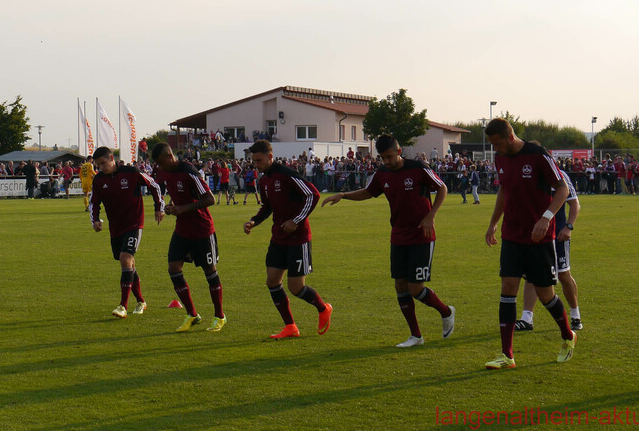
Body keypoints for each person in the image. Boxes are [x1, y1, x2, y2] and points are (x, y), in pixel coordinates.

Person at [323, 134, 455, 347]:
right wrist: (344, 195)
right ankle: (416, 336)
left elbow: (442, 187)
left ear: (399, 152)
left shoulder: (418, 167)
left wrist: (431, 215)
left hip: (422, 235)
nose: (386, 162)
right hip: (398, 236)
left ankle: (446, 312)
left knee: (415, 288)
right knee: (400, 286)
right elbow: (369, 192)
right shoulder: (382, 173)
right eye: (382, 158)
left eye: (389, 157)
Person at [483, 119, 576, 369]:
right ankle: (507, 355)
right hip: (512, 233)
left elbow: (562, 188)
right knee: (508, 287)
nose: (495, 149)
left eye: (497, 143)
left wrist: (546, 218)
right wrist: (493, 223)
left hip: (539, 236)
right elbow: (504, 190)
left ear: (510, 136)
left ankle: (567, 335)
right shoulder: (501, 158)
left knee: (546, 294)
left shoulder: (537, 155)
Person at [242, 140, 332, 339]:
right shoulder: (264, 181)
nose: (256, 164)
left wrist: (296, 221)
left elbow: (313, 195)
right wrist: (253, 221)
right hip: (278, 238)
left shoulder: (287, 174)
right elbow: (267, 207)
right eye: (254, 161)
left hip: (298, 238)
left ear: (270, 156)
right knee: (272, 281)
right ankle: (290, 326)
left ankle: (323, 308)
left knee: (296, 287)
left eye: (259, 160)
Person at [151, 143, 226, 332]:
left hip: (202, 230)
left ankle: (219, 316)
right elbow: (179, 197)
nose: (160, 168)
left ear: (169, 156)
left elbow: (210, 199)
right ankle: (192, 314)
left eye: (161, 163)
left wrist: (181, 209)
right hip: (182, 230)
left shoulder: (189, 172)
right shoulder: (167, 172)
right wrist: (171, 206)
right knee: (174, 268)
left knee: (210, 272)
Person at [88, 146, 164, 319]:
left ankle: (123, 305)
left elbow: (154, 185)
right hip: (116, 227)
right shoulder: (99, 180)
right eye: (98, 165)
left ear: (111, 158)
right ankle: (141, 301)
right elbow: (94, 202)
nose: (101, 168)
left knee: (125, 258)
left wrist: (159, 208)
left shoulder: (131, 172)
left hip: (134, 223)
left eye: (103, 163)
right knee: (127, 263)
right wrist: (95, 220)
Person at [516, 168, 584, 332]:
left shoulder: (560, 175)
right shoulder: (527, 176)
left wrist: (568, 227)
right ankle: (527, 318)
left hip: (557, 234)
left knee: (563, 274)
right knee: (531, 275)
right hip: (535, 234)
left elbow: (574, 203)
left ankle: (575, 315)